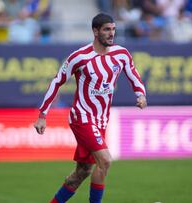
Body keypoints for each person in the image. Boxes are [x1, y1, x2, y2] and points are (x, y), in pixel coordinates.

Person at [33, 13, 147, 203]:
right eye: (106, 30)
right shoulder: (80, 57)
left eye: (113, 29)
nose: (111, 34)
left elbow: (134, 76)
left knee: (82, 172)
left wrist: (140, 94)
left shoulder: (121, 54)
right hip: (82, 117)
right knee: (106, 160)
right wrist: (42, 114)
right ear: (95, 31)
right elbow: (56, 82)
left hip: (101, 120)